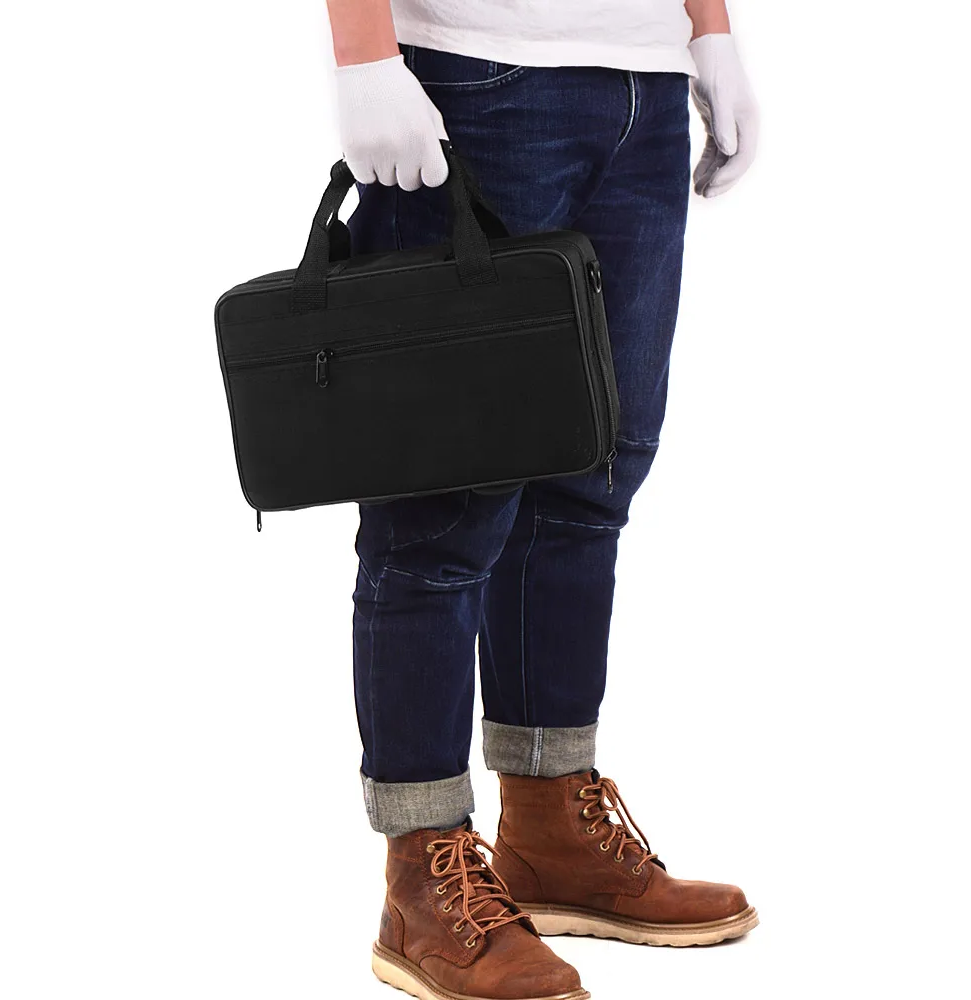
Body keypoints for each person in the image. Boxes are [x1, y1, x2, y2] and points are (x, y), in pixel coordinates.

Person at [325, 1, 760, 997]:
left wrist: (708, 30)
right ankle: (421, 877)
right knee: (442, 505)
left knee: (591, 475)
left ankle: (551, 825)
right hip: (477, 74)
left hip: (643, 88)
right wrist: (363, 52)